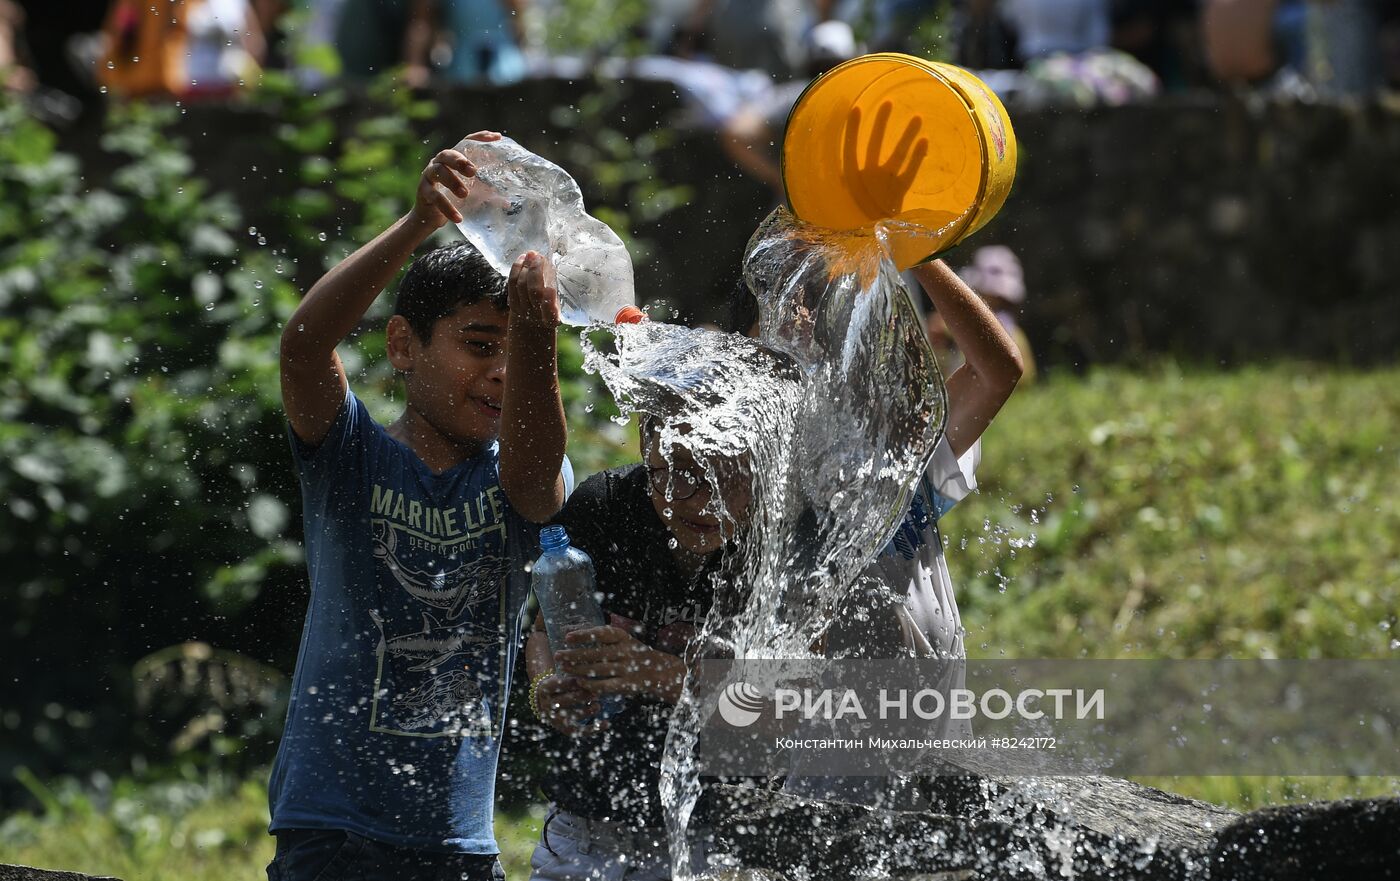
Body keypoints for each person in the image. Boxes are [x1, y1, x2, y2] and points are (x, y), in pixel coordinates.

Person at [267, 130, 573, 881]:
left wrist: (540, 341)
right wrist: (416, 226)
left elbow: (538, 487)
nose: (500, 373)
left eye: (514, 351)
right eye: (478, 344)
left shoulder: (519, 472)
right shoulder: (353, 455)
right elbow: (305, 348)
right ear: (402, 345)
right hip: (330, 829)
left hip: (458, 840)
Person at [787, 256, 1024, 810]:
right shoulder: (761, 476)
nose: (803, 328)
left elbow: (998, 372)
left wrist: (922, 258)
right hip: (826, 783)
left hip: (934, 764)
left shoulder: (902, 461)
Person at [523, 417, 755, 881]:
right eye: (680, 472)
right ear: (649, 449)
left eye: (729, 477)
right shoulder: (607, 508)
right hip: (582, 830)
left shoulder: (784, 536)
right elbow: (545, 631)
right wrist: (547, 688)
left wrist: (661, 675)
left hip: (715, 840)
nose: (703, 501)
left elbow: (805, 703)